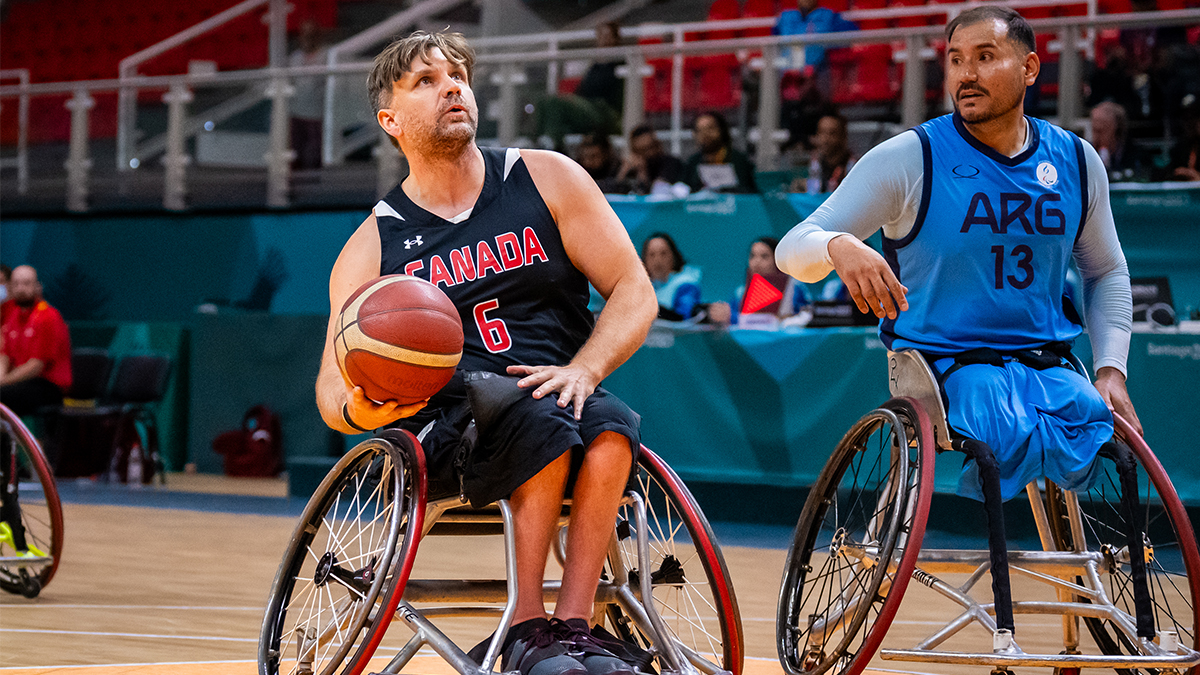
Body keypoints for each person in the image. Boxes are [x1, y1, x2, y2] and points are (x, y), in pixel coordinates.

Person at [775, 6, 1148, 642]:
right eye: (955, 59)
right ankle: (996, 623)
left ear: (1030, 68)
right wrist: (839, 246)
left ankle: (1120, 615)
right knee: (998, 433)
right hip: (944, 367)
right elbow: (795, 244)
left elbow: (1107, 273)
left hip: (1047, 361)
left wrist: (1111, 369)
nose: (965, 74)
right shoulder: (910, 158)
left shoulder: (1077, 162)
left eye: (984, 57)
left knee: (1101, 422)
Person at [316, 31, 658, 675]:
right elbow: (331, 391)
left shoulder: (546, 178)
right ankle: (527, 625)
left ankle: (574, 626)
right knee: (540, 419)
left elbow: (635, 291)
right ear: (390, 120)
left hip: (557, 388)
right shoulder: (372, 246)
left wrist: (586, 367)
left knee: (611, 427)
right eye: (425, 81)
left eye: (458, 76)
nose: (451, 87)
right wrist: (362, 407)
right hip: (452, 424)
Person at [534, 22, 624, 152]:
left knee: (556, 102)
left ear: (615, 38)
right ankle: (540, 141)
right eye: (600, 35)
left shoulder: (621, 63)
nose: (603, 39)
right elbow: (583, 91)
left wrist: (573, 101)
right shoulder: (595, 65)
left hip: (604, 112)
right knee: (543, 101)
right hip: (588, 108)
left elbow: (615, 100)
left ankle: (551, 144)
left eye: (607, 35)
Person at [1, 266, 73, 416]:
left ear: (38, 286)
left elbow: (36, 366)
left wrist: (4, 382)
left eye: (27, 283)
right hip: (19, 383)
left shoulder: (48, 316)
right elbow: (4, 357)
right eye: (16, 284)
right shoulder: (11, 316)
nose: (21, 289)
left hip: (47, 387)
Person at [641, 233, 730, 324]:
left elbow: (685, 315)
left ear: (673, 257)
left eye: (663, 254)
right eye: (652, 255)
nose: (657, 260)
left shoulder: (685, 284)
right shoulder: (644, 288)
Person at [730, 237, 812, 325]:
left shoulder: (794, 288)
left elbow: (808, 315)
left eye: (764, 257)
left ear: (777, 260)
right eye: (752, 256)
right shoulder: (740, 292)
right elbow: (734, 320)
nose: (756, 262)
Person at [683, 112, 758, 194]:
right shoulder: (693, 162)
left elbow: (749, 190)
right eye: (700, 130)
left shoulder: (738, 160)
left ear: (721, 130)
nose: (705, 134)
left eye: (710, 128)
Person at [289, 19, 328, 171]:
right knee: (296, 147)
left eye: (311, 35)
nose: (307, 38)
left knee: (316, 147)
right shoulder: (295, 58)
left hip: (318, 111)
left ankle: (316, 176)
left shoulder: (327, 56)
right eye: (304, 35)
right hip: (296, 110)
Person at [791, 112, 855, 193]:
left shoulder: (852, 166)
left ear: (842, 137)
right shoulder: (813, 162)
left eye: (832, 133)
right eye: (822, 133)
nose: (826, 139)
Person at [614, 124, 685, 195]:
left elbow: (658, 192)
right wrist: (623, 173)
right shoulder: (631, 169)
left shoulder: (670, 163)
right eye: (641, 150)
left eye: (650, 147)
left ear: (657, 144)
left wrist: (643, 173)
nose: (648, 153)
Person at [1089, 101, 1142, 182]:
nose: (1096, 137)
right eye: (1094, 130)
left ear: (1116, 129)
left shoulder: (1136, 154)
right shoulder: (1087, 154)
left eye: (1101, 131)